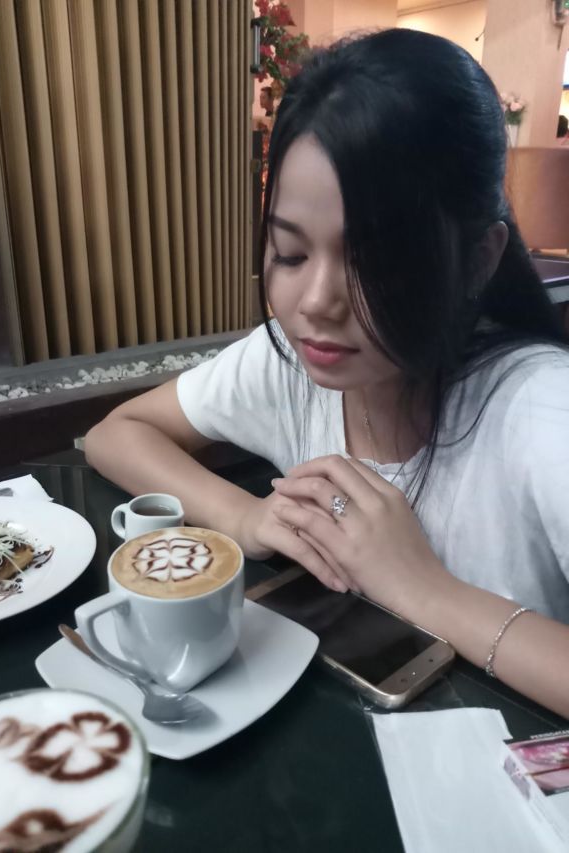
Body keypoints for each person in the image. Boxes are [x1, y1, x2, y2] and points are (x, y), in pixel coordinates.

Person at [86, 29, 569, 717]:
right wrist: (245, 517)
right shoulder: (290, 362)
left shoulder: (540, 408)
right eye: (289, 253)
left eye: (372, 261)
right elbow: (116, 433)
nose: (315, 302)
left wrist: (426, 591)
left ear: (479, 259)